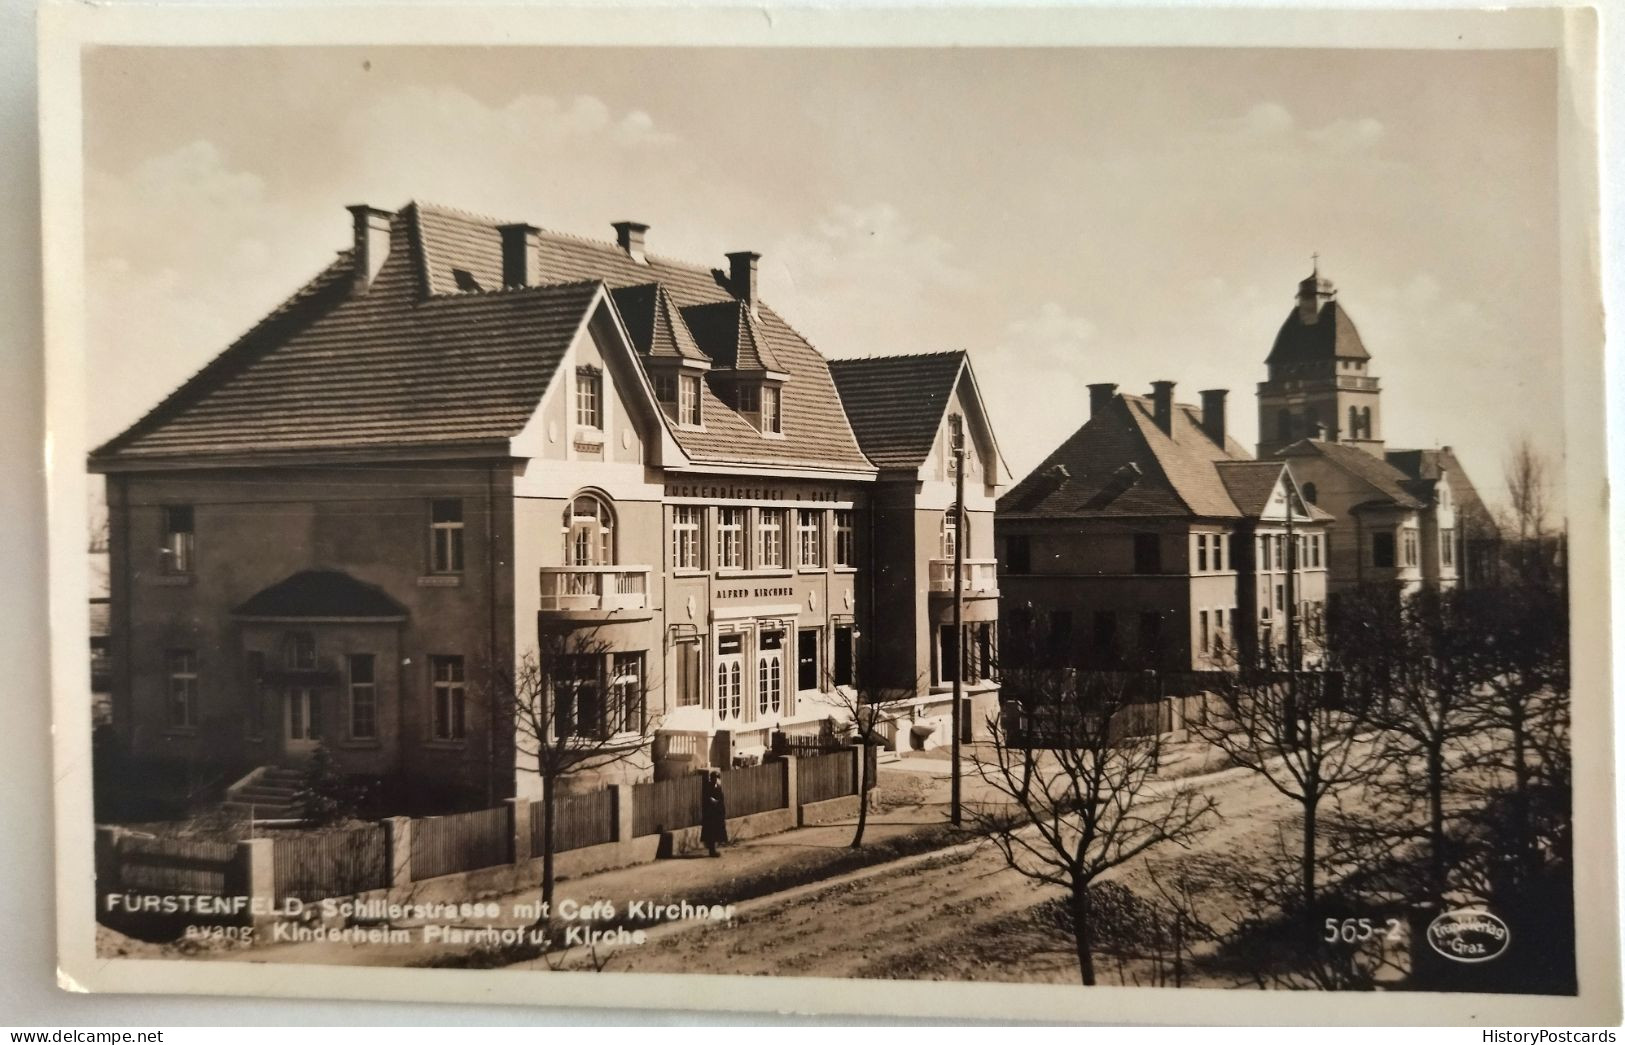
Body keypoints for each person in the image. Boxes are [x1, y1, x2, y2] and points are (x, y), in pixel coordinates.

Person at [700, 768, 728, 857]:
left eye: (716, 778)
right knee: (711, 833)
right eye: (714, 778)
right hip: (710, 815)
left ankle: (713, 850)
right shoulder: (708, 787)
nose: (715, 779)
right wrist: (711, 800)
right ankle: (712, 851)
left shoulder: (718, 787)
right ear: (711, 779)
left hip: (717, 814)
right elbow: (706, 799)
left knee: (716, 833)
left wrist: (722, 810)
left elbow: (721, 799)